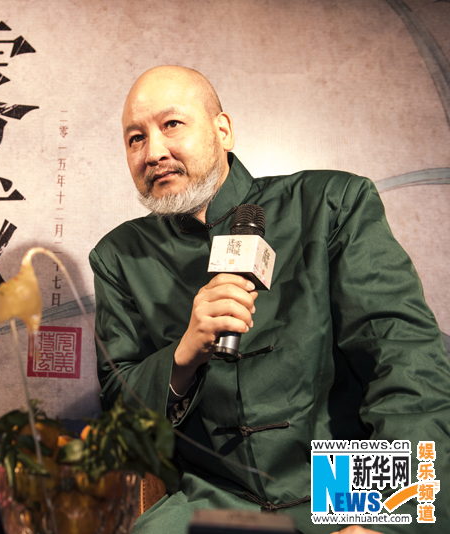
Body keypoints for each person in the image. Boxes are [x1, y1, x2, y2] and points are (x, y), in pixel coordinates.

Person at [89, 66, 450, 533]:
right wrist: (183, 356)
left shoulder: (330, 203)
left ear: (223, 130)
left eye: (171, 124)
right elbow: (119, 412)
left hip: (346, 481)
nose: (153, 152)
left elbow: (407, 362)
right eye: (135, 138)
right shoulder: (119, 255)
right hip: (218, 497)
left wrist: (386, 517)